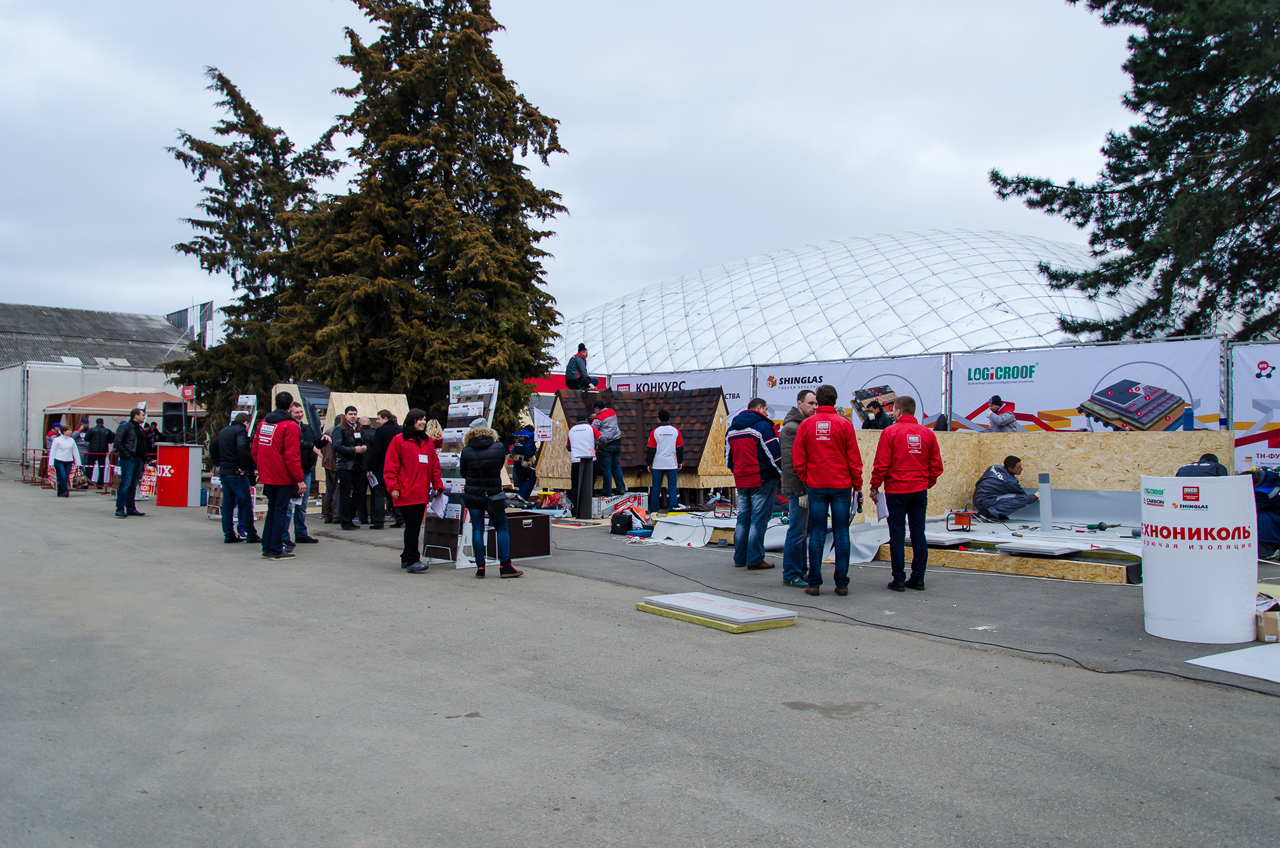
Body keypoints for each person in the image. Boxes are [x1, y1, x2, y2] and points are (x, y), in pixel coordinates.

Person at [792, 384, 862, 596]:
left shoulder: (807, 425)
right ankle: (841, 583)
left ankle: (814, 583)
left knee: (816, 534)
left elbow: (798, 459)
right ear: (835, 400)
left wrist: (807, 478)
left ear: (818, 401)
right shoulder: (844, 424)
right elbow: (854, 459)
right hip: (841, 485)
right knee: (841, 533)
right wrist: (857, 486)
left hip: (817, 485)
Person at [870, 395, 944, 592]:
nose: (892, 414)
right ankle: (918, 577)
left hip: (896, 490)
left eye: (893, 410)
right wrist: (926, 483)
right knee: (918, 533)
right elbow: (936, 465)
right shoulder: (927, 434)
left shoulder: (890, 432)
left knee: (897, 534)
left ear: (898, 411)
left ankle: (899, 578)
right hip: (918, 490)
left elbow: (881, 463)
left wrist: (875, 486)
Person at [383, 408, 444, 573]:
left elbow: (434, 465)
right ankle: (413, 560)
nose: (423, 422)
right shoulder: (399, 440)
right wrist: (393, 487)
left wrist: (437, 485)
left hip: (421, 491)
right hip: (406, 491)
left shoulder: (427, 441)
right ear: (412, 421)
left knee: (415, 525)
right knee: (412, 525)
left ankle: (406, 556)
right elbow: (391, 465)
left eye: (424, 419)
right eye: (420, 419)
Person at [461, 419, 523, 578]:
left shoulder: (466, 451)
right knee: (501, 528)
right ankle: (505, 565)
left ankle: (480, 567)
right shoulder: (498, 447)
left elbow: (463, 473)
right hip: (494, 494)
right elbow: (499, 467)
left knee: (477, 529)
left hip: (474, 495)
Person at [725, 397, 782, 570]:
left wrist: (738, 472)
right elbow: (774, 455)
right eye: (766, 409)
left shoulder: (732, 429)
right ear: (759, 407)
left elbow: (728, 459)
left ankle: (740, 558)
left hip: (742, 480)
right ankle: (755, 559)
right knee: (758, 520)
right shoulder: (762, 426)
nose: (767, 413)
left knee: (743, 520)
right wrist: (779, 474)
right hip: (762, 479)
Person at [251, 391, 305, 561]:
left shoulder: (264, 422)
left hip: (267, 474)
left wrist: (262, 467)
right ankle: (276, 549)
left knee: (272, 510)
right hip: (282, 476)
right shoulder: (290, 426)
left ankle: (268, 547)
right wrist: (299, 479)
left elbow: (255, 448)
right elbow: (292, 455)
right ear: (291, 405)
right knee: (280, 511)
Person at [779, 389, 819, 588]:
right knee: (796, 531)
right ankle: (791, 574)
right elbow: (790, 464)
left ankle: (800, 571)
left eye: (816, 404)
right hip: (798, 490)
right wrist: (801, 491)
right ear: (799, 403)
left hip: (805, 487)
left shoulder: (804, 425)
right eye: (810, 403)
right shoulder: (791, 429)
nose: (814, 407)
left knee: (802, 532)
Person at [210, 413, 260, 543]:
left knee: (228, 504)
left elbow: (213, 447)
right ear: (245, 423)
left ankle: (228, 533)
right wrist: (243, 467)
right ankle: (250, 533)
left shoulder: (224, 431)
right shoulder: (240, 432)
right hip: (236, 472)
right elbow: (242, 448)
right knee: (246, 503)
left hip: (225, 471)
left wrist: (218, 463)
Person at [282, 402, 322, 545]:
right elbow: (293, 446)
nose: (299, 415)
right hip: (291, 472)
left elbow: (315, 442)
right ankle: (284, 536)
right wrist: (310, 445)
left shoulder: (306, 428)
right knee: (288, 507)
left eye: (301, 412)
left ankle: (301, 533)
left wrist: (323, 440)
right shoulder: (288, 428)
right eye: (296, 412)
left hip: (305, 469)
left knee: (302, 506)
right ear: (290, 413)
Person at [365, 410, 402, 530]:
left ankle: (379, 521)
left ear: (385, 418)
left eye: (378, 418)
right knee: (393, 494)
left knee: (378, 494)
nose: (377, 421)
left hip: (382, 467)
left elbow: (376, 451)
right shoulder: (399, 430)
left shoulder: (381, 431)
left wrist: (370, 467)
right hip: (396, 467)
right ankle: (400, 518)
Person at [972, 456, 1038, 521]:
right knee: (1022, 498)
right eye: (1019, 467)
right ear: (1010, 469)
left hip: (977, 499)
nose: (1021, 469)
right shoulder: (1010, 482)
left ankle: (992, 513)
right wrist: (1035, 496)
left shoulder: (994, 468)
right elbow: (1023, 497)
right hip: (986, 501)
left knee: (1004, 495)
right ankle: (990, 514)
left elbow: (978, 483)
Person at [334, 406, 368, 530]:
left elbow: (360, 441)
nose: (353, 416)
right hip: (345, 465)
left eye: (355, 414)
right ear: (345, 415)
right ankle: (345, 520)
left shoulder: (357, 428)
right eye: (350, 414)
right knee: (345, 493)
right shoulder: (339, 429)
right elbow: (337, 447)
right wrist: (353, 450)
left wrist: (364, 447)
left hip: (357, 465)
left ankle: (350, 517)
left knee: (359, 492)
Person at [646, 410, 684, 514]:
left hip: (658, 463)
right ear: (669, 418)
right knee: (672, 488)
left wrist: (649, 463)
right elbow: (680, 448)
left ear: (659, 419)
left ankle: (654, 510)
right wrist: (680, 461)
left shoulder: (655, 432)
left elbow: (651, 449)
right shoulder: (675, 431)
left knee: (656, 488)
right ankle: (673, 508)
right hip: (671, 463)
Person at [113, 408, 149, 518]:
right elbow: (118, 442)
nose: (144, 417)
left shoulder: (139, 429)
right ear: (136, 416)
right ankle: (120, 508)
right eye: (142, 415)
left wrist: (144, 460)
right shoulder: (125, 427)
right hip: (129, 459)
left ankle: (131, 508)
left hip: (138, 459)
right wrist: (128, 455)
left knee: (133, 484)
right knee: (126, 484)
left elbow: (143, 445)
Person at [567, 414, 602, 518]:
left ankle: (575, 509)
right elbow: (603, 439)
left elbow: (568, 447)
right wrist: (598, 448)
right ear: (586, 419)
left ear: (576, 420)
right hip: (590, 460)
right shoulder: (590, 428)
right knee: (589, 485)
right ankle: (587, 510)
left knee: (575, 486)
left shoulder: (572, 430)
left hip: (576, 461)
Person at [592, 400, 626, 496]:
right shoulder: (612, 411)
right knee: (616, 467)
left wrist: (597, 446)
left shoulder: (597, 419)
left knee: (606, 469)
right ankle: (621, 487)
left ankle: (607, 491)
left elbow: (592, 431)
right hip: (617, 443)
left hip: (606, 445)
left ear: (597, 408)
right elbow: (604, 415)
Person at [48, 425, 82, 497]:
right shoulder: (57, 440)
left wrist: (78, 463)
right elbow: (52, 451)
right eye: (68, 430)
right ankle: (65, 491)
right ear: (64, 432)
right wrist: (51, 463)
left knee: (65, 477)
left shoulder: (71, 440)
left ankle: (60, 491)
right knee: (62, 476)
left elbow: (75, 451)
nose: (70, 432)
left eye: (70, 430)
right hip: (59, 460)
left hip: (68, 460)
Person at [507, 423, 538, 501]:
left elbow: (507, 442)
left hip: (516, 458)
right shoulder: (530, 435)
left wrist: (508, 453)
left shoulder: (517, 434)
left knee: (521, 477)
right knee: (531, 477)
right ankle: (523, 495)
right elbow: (528, 447)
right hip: (524, 459)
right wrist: (527, 459)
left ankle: (521, 493)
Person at [1253, 469, 1280, 560]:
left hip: (1274, 520)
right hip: (1275, 517)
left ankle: (1265, 552)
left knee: (1257, 519)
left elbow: (1252, 508)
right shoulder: (1270, 483)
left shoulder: (1262, 492)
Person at [321, 414, 341, 524]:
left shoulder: (328, 431)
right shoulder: (337, 432)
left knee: (329, 490)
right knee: (337, 491)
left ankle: (328, 515)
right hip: (335, 464)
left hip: (327, 463)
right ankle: (336, 516)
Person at [85, 417, 114, 487]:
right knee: (101, 468)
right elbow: (111, 441)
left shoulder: (92, 430)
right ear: (103, 423)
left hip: (92, 450)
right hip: (103, 450)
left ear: (96, 423)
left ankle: (86, 483)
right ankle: (100, 484)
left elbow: (86, 439)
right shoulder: (107, 431)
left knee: (89, 467)